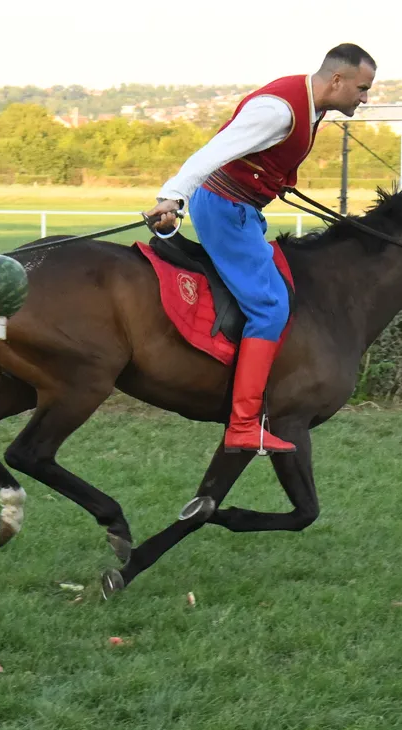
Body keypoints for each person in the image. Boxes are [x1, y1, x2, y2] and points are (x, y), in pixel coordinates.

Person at [143, 44, 376, 454]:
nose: (365, 98)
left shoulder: (311, 106)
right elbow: (214, 151)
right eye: (362, 88)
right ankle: (243, 425)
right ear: (337, 80)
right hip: (224, 208)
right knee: (269, 307)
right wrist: (173, 197)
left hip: (241, 209)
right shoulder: (279, 111)